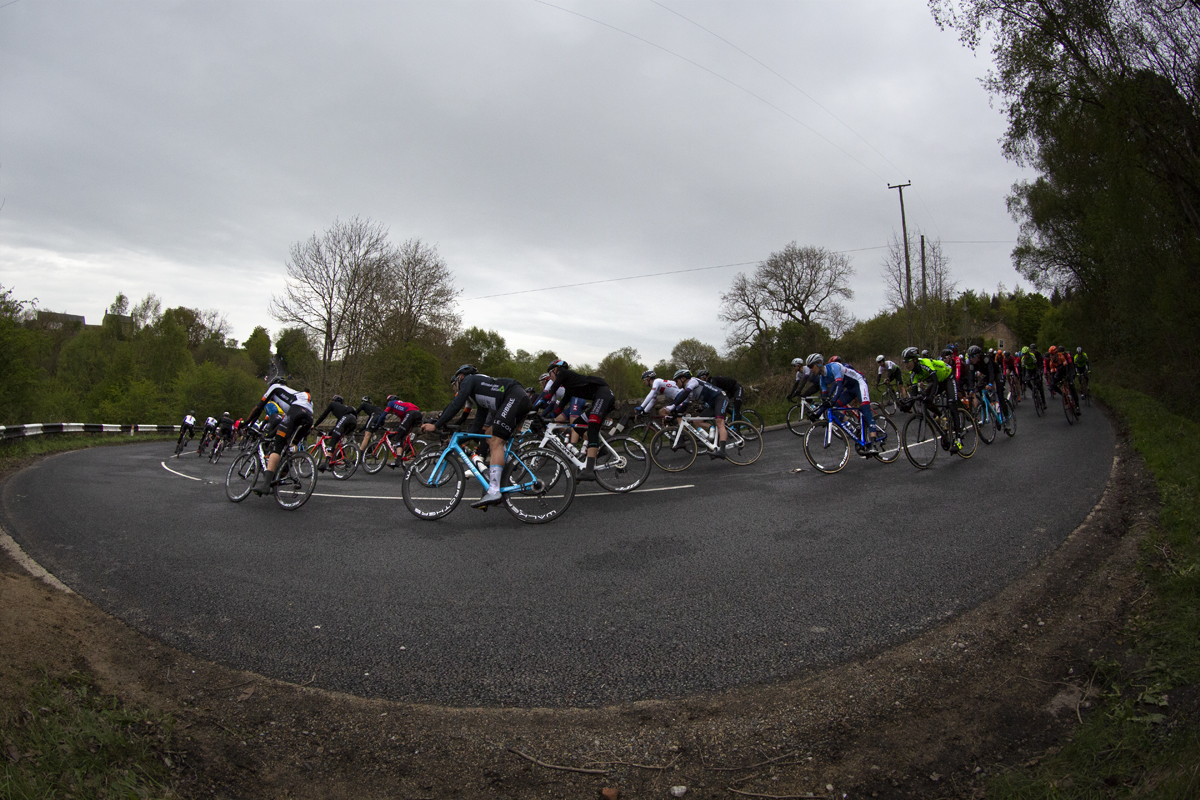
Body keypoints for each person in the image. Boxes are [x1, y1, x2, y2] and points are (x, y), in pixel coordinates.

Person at [421, 365, 531, 507]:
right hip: (516, 398)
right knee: (488, 434)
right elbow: (477, 427)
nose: (454, 388)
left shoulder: (468, 380)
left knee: (495, 441)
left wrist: (436, 424)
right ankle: (509, 464)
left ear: (460, 378)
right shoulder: (480, 397)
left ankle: (494, 490)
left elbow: (456, 404)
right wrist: (458, 439)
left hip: (514, 396)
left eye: (454, 385)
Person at [536, 360, 615, 481]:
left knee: (592, 427)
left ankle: (589, 471)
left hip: (603, 394)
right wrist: (547, 418)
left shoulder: (564, 373)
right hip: (599, 399)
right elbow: (560, 408)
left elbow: (549, 393)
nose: (550, 377)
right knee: (578, 424)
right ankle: (598, 447)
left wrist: (534, 407)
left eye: (550, 373)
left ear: (556, 370)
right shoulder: (570, 388)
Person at [242, 381, 315, 495]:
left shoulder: (274, 387)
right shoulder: (294, 395)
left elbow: (258, 408)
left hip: (296, 412)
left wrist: (246, 423)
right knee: (291, 445)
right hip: (309, 417)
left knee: (277, 446)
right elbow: (284, 424)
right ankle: (284, 468)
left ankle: (266, 485)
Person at [807, 353, 879, 452]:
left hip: (859, 384)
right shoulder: (822, 379)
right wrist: (816, 414)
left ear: (819, 363)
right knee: (832, 408)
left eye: (811, 366)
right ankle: (853, 426)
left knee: (866, 411)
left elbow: (839, 387)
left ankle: (873, 444)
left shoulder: (834, 367)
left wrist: (832, 400)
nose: (810, 369)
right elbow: (825, 400)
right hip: (849, 389)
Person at [901, 346, 964, 447]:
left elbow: (934, 381)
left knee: (952, 404)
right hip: (938, 381)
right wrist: (906, 406)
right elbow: (914, 393)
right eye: (905, 362)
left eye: (908, 362)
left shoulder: (925, 364)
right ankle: (942, 418)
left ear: (915, 360)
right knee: (926, 401)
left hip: (947, 377)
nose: (906, 365)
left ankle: (958, 438)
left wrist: (931, 396)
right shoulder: (913, 374)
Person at [664, 368, 729, 459]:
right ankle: (713, 441)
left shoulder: (693, 382)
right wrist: (673, 415)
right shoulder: (688, 392)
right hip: (713, 404)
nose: (675, 383)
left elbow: (684, 394)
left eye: (676, 380)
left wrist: (673, 405)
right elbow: (683, 408)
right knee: (697, 421)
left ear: (683, 378)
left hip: (721, 398)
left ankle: (722, 451)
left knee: (719, 422)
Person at [312, 395, 358, 467]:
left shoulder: (333, 404)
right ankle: (339, 458)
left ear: (334, 400)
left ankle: (327, 463)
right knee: (337, 436)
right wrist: (331, 432)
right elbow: (338, 424)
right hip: (354, 421)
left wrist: (315, 425)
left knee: (334, 437)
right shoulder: (343, 409)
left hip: (346, 418)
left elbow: (324, 415)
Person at [966, 345, 1011, 420]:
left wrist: (990, 383)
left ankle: (1006, 417)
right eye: (969, 357)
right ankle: (990, 403)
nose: (970, 359)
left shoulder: (986, 359)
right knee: (979, 387)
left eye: (972, 357)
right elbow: (971, 377)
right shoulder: (972, 364)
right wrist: (971, 389)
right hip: (986, 375)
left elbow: (991, 372)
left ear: (978, 356)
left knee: (1000, 395)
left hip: (996, 373)